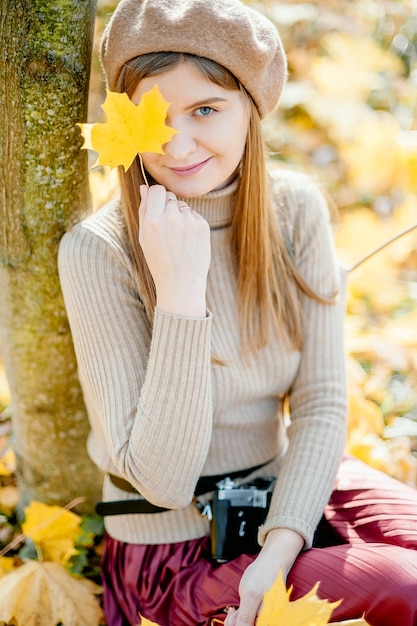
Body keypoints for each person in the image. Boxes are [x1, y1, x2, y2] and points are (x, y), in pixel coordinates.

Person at [57, 1, 417, 625]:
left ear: (250, 109)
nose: (180, 142)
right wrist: (180, 298)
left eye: (206, 109)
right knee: (403, 586)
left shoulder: (295, 208)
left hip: (285, 491)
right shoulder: (99, 250)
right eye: (155, 117)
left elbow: (324, 400)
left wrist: (282, 543)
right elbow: (161, 482)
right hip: (176, 553)